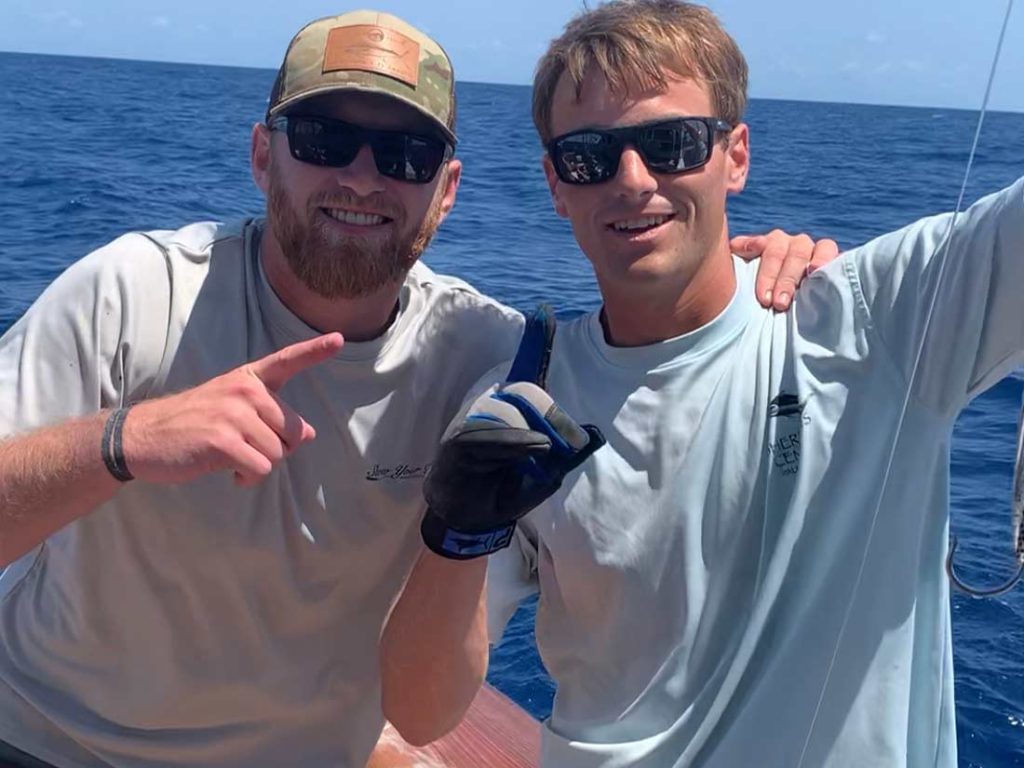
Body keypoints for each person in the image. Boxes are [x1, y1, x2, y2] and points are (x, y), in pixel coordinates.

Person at [0, 9, 832, 768]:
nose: (362, 178)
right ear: (263, 154)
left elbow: (657, 369)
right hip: (49, 739)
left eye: (407, 155)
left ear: (447, 190)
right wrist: (122, 442)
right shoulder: (137, 295)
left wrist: (764, 282)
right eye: (324, 138)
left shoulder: (491, 355)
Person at [418, 1, 1024, 767]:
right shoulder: (523, 401)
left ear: (734, 155)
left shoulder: (880, 319)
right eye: (588, 156)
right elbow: (422, 705)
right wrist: (455, 531)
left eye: (671, 144)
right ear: (555, 183)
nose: (632, 180)